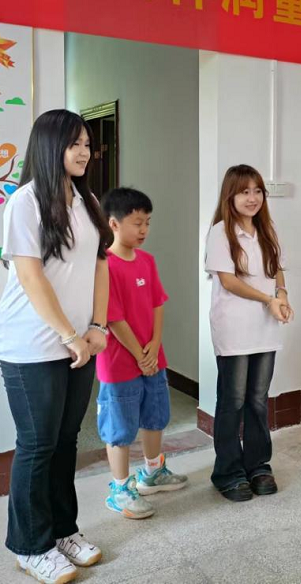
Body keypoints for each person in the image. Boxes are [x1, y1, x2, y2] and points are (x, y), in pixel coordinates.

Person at [0, 109, 112, 584]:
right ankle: (29, 545)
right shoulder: (25, 202)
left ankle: (63, 531)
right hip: (32, 344)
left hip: (80, 342)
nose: (84, 151)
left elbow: (100, 265)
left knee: (66, 442)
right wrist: (68, 335)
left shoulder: (87, 201)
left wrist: (98, 325)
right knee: (37, 444)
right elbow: (30, 276)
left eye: (87, 143)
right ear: (49, 147)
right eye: (74, 143)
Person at [98, 187, 187, 522]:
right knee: (119, 427)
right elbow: (113, 317)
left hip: (152, 357)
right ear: (114, 224)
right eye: (137, 223)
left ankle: (152, 472)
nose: (144, 230)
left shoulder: (147, 261)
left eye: (148, 222)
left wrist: (154, 344)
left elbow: (157, 303)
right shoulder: (104, 265)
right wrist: (139, 354)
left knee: (155, 416)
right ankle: (120, 489)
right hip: (120, 362)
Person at [205, 165, 293, 502]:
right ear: (230, 195)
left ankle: (258, 465)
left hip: (264, 326)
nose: (252, 198)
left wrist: (282, 296)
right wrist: (268, 300)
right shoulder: (220, 232)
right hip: (234, 328)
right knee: (233, 400)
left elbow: (277, 269)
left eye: (257, 191)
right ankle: (227, 472)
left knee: (258, 399)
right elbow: (229, 282)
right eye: (244, 192)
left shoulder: (266, 229)